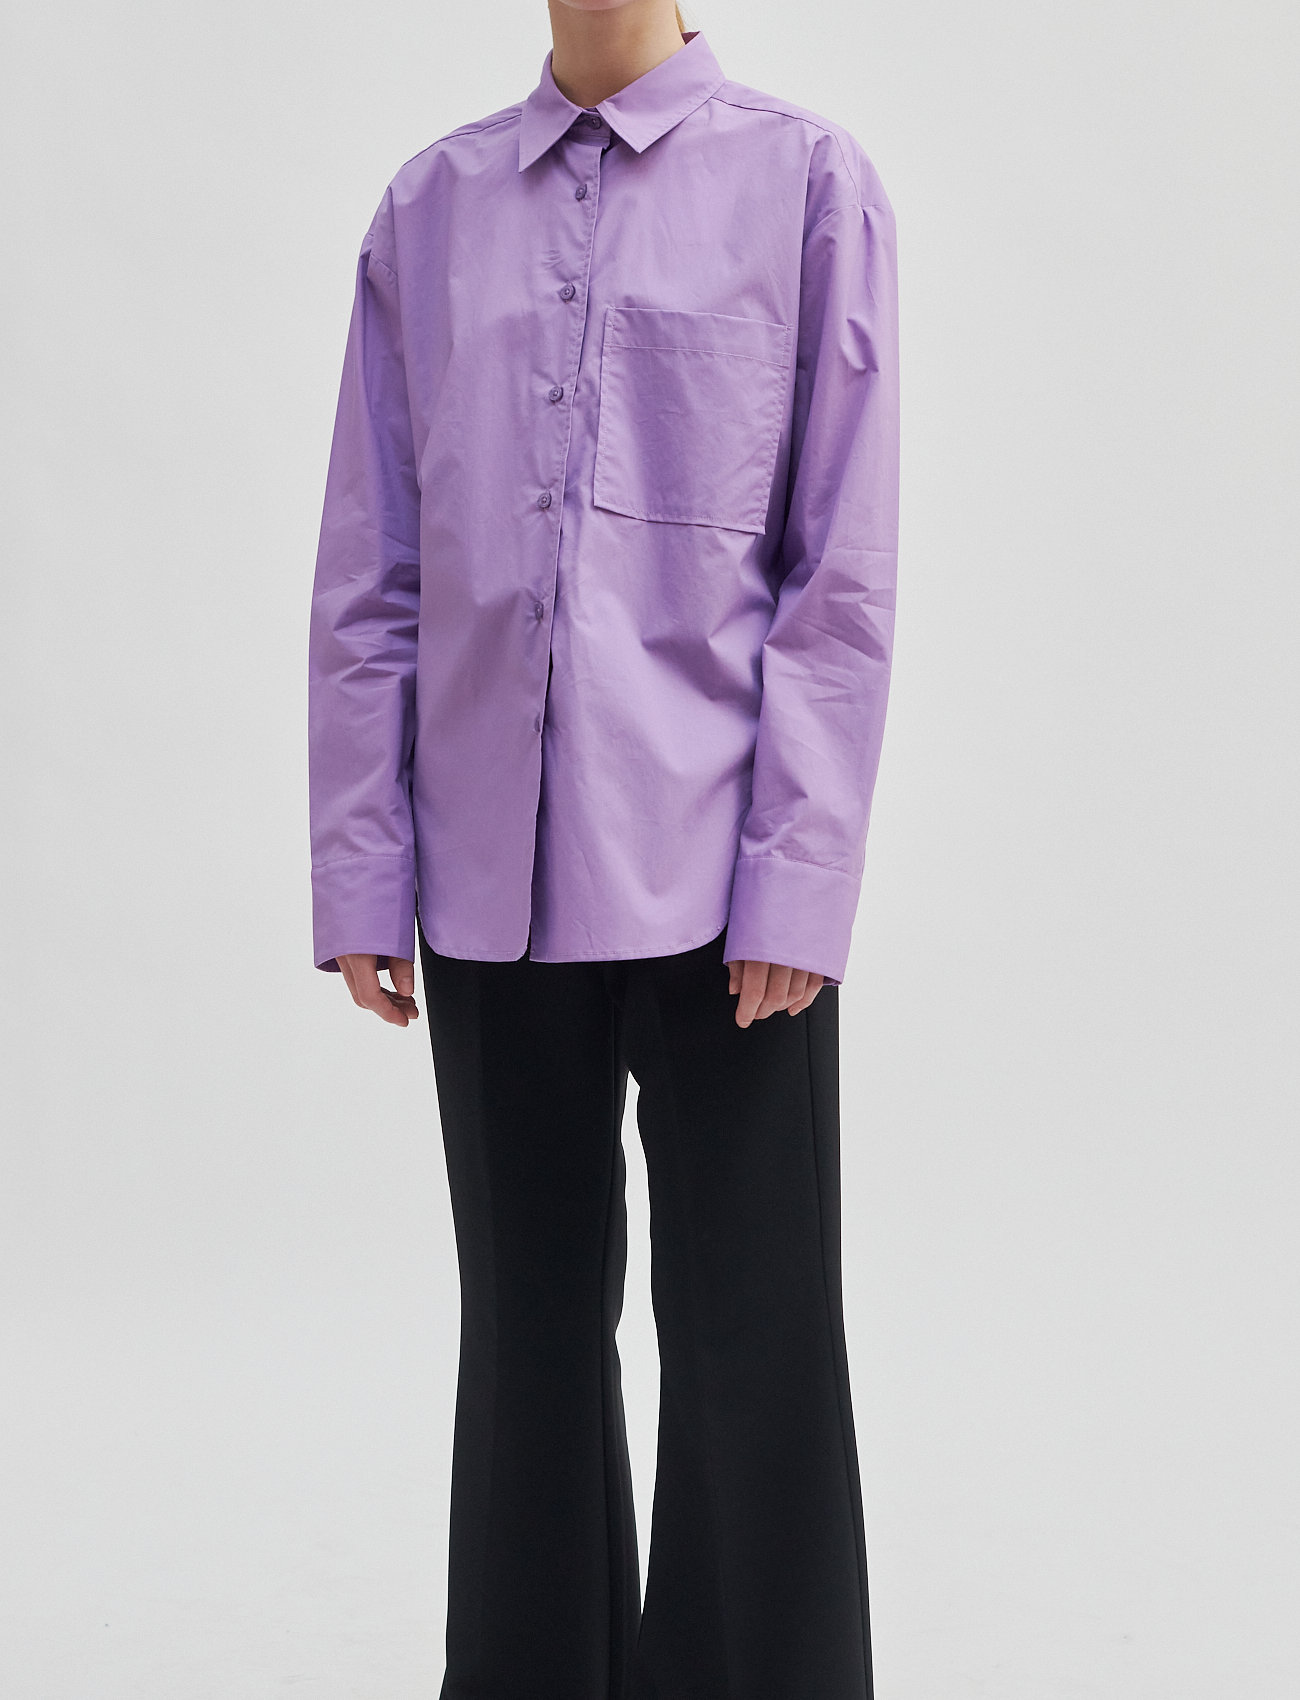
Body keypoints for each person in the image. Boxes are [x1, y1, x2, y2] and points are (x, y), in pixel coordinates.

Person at [307, 1, 899, 1694]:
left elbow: (839, 572)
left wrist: (802, 873)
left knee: (754, 1347)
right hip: (483, 881)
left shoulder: (807, 186)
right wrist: (363, 862)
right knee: (527, 1349)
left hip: (725, 882)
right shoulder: (427, 212)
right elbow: (372, 570)